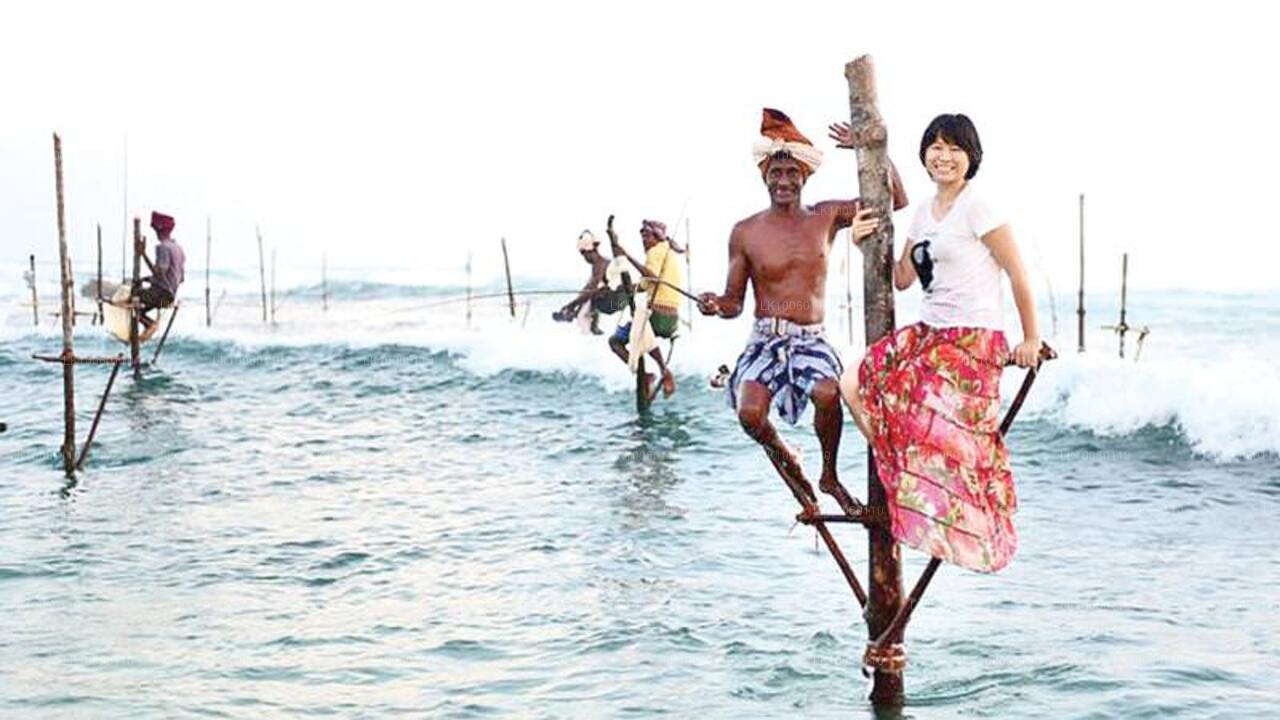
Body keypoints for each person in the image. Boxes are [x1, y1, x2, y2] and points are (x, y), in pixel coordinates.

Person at [841, 113, 1041, 574]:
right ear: (925, 155)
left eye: (954, 148)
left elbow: (1018, 274)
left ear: (971, 157)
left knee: (937, 427)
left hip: (972, 336)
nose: (944, 156)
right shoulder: (922, 212)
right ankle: (903, 478)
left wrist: (1031, 338)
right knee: (852, 384)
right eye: (935, 147)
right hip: (928, 333)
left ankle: (943, 511)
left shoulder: (979, 207)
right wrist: (861, 242)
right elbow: (902, 279)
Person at [697, 108, 906, 515]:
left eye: (792, 173)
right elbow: (733, 303)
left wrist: (869, 149)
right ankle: (787, 456)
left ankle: (829, 476)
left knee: (827, 393)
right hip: (764, 339)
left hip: (810, 338)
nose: (784, 181)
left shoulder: (826, 216)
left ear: (805, 177)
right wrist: (715, 305)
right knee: (750, 415)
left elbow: (894, 200)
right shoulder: (745, 231)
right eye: (775, 173)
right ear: (764, 177)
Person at [608, 217, 684, 398]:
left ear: (657, 237)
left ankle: (656, 373)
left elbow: (652, 276)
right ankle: (657, 372)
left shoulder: (656, 251)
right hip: (671, 320)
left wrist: (626, 256)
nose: (644, 240)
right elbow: (644, 285)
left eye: (647, 236)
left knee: (615, 341)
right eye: (642, 236)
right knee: (641, 332)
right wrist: (622, 289)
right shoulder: (667, 252)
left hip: (657, 316)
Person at [552, 230, 623, 335]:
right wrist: (574, 303)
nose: (585, 258)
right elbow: (589, 287)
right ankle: (575, 315)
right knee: (591, 293)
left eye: (584, 255)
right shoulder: (603, 263)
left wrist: (571, 305)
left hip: (616, 303)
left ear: (590, 251)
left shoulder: (600, 264)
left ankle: (577, 317)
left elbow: (591, 288)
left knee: (593, 294)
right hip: (618, 301)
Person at [136, 211, 185, 329]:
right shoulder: (178, 248)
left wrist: (143, 254)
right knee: (141, 306)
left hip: (160, 298)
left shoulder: (163, 247)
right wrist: (148, 279)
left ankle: (149, 324)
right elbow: (180, 278)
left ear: (158, 231)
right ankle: (146, 321)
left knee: (133, 295)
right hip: (168, 301)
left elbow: (159, 272)